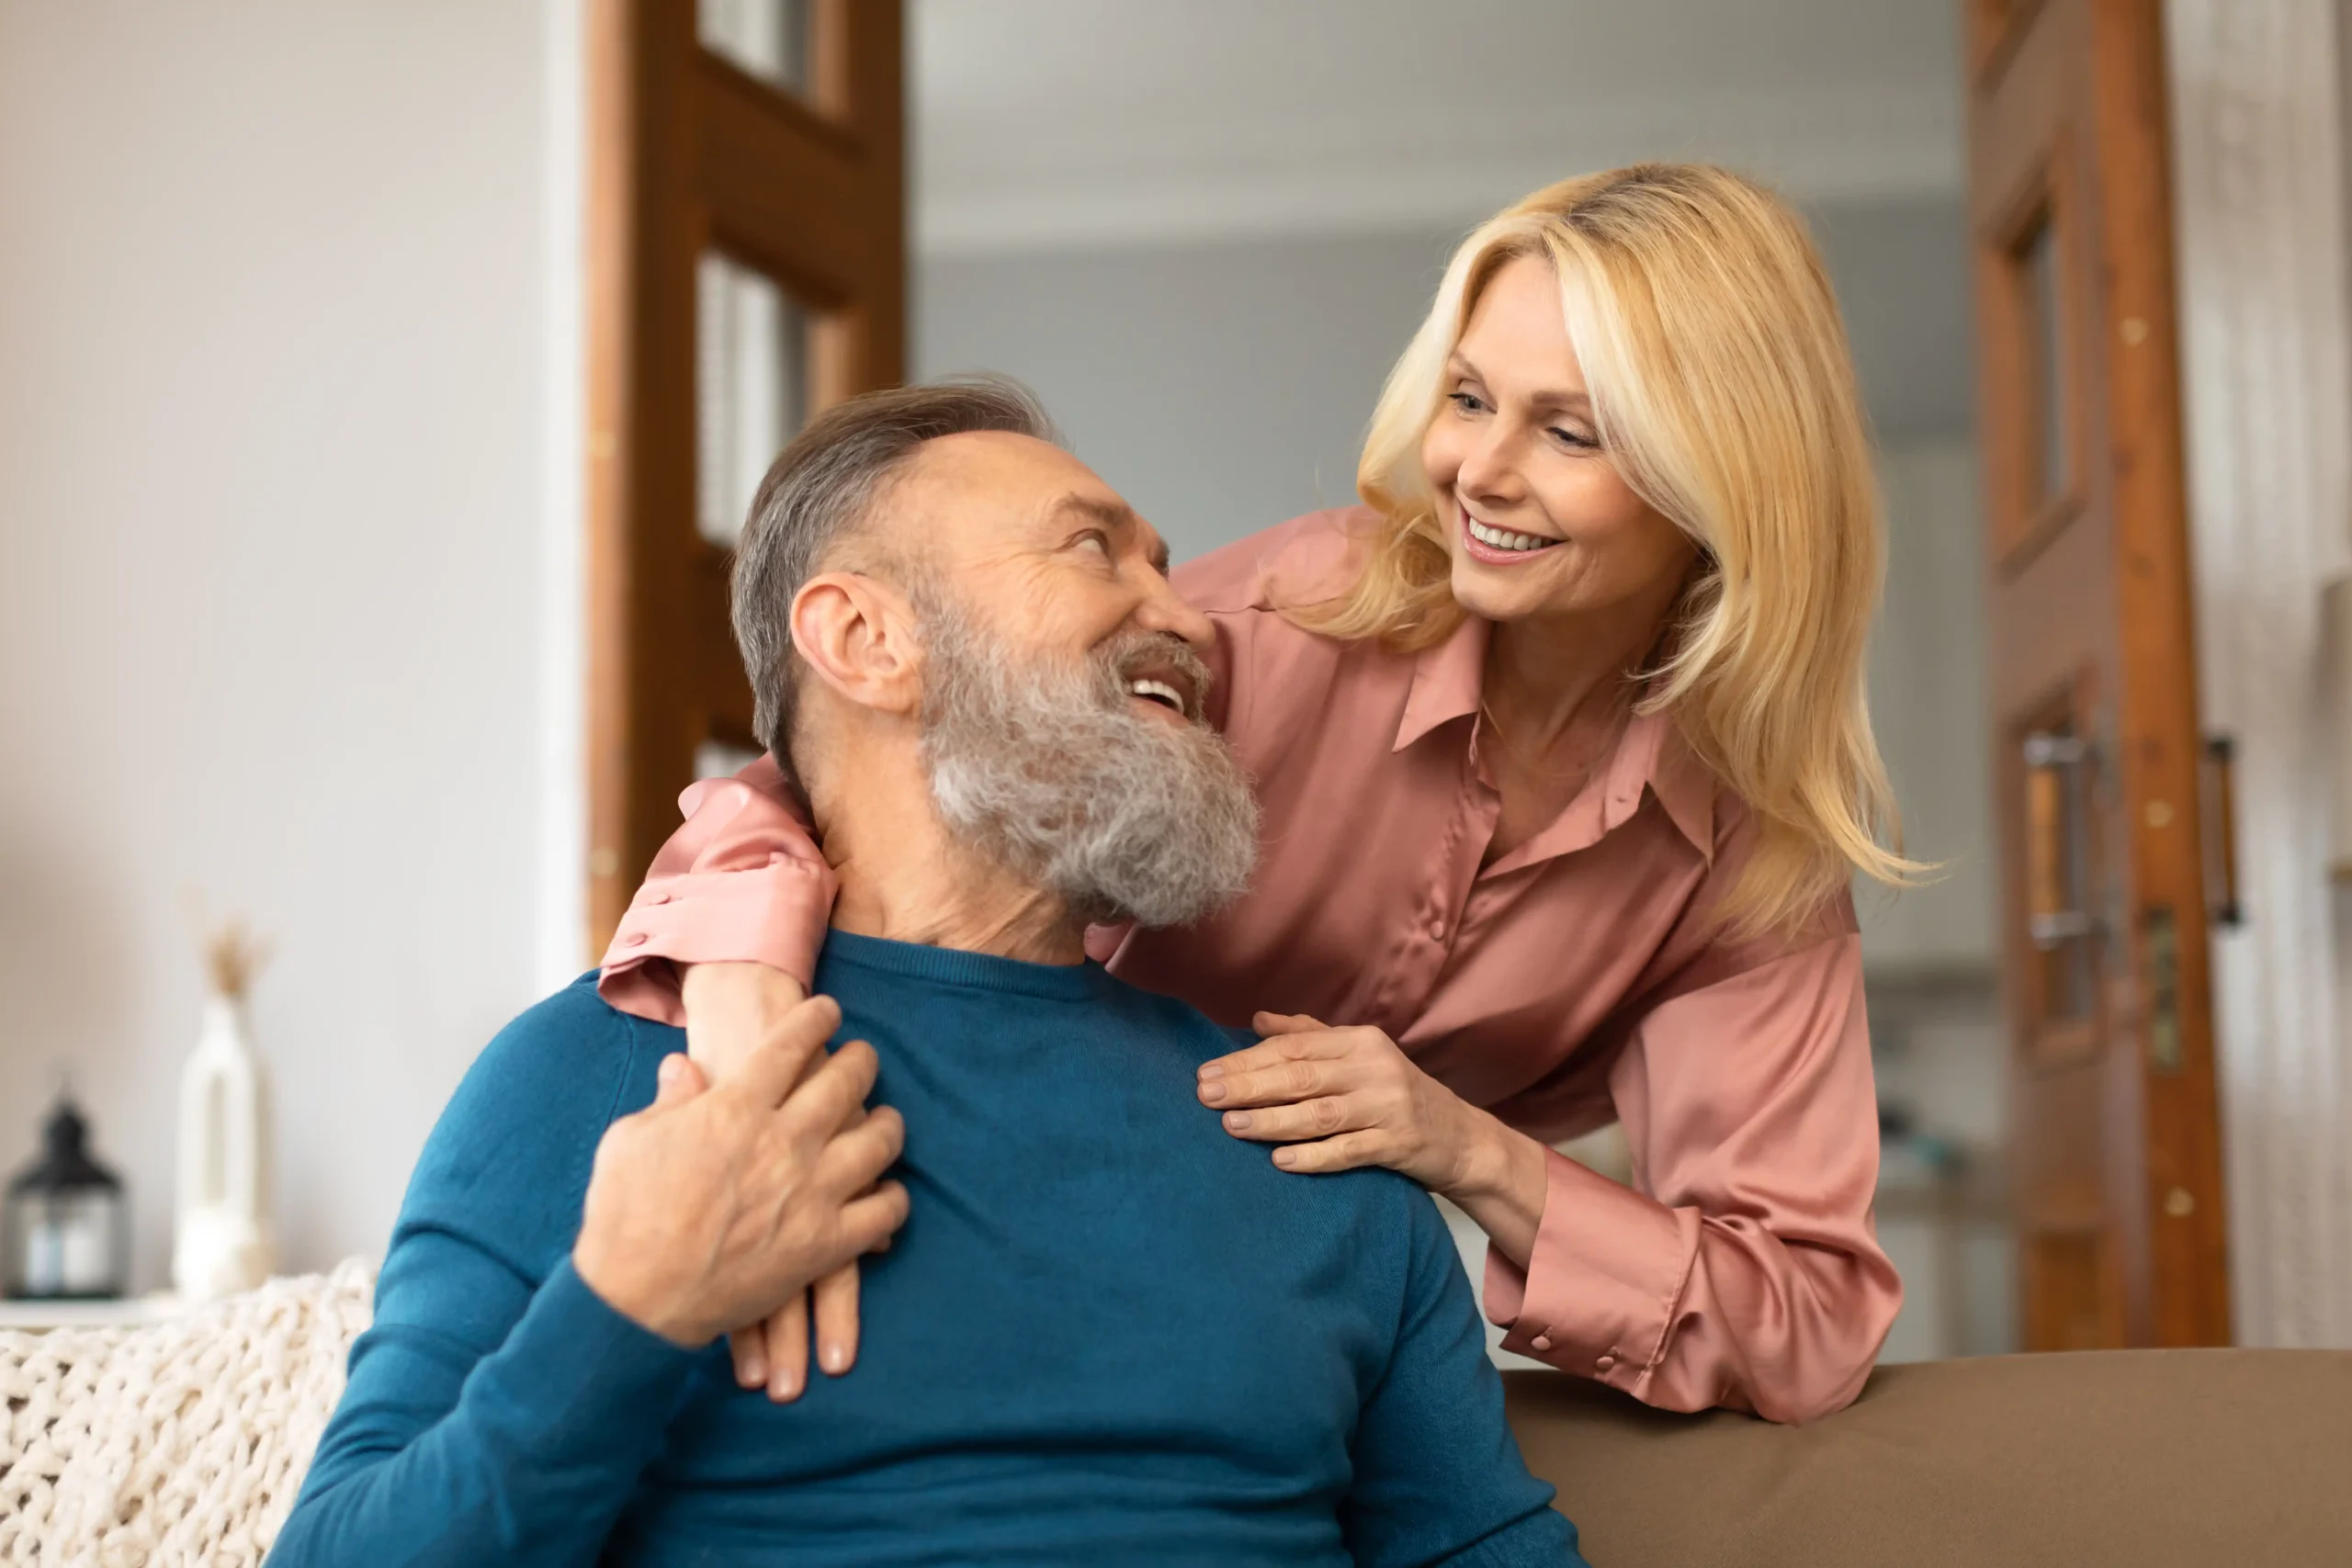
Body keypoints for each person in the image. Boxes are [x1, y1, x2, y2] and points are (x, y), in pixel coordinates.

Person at [605, 163, 1913, 1426]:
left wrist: (1473, 1152)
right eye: (1467, 398)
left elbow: (1800, 1317)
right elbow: (825, 773)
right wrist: (741, 997)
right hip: (965, 1203)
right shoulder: (1285, 620)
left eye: (1568, 430)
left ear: (1721, 481)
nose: (1478, 471)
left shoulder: (1745, 860)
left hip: (1279, 1329)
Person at [272, 381, 1585, 1567]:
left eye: (1169, 567)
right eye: (1094, 546)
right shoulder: (604, 1072)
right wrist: (629, 1303)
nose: (1185, 617)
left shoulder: (1311, 1128)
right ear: (864, 638)